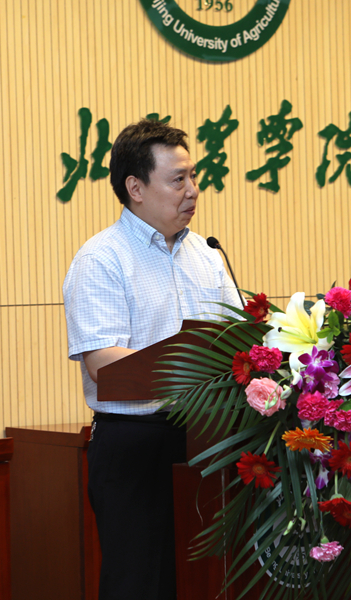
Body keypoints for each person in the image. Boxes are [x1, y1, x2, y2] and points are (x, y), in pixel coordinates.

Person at [62, 118, 241, 599]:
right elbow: (104, 362)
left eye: (193, 176)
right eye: (178, 179)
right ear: (135, 188)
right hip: (136, 445)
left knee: (206, 583)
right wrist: (193, 366)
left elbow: (237, 339)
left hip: (208, 442)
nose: (193, 190)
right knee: (141, 584)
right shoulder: (101, 259)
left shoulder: (206, 253)